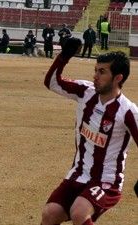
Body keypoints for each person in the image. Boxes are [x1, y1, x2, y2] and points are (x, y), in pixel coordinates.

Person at [42, 37, 138, 225]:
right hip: (78, 173)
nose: (95, 75)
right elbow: (52, 83)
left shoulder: (128, 111)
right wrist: (64, 56)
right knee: (49, 213)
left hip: (106, 181)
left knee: (79, 211)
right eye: (95, 70)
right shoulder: (86, 92)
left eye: (102, 72)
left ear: (118, 77)